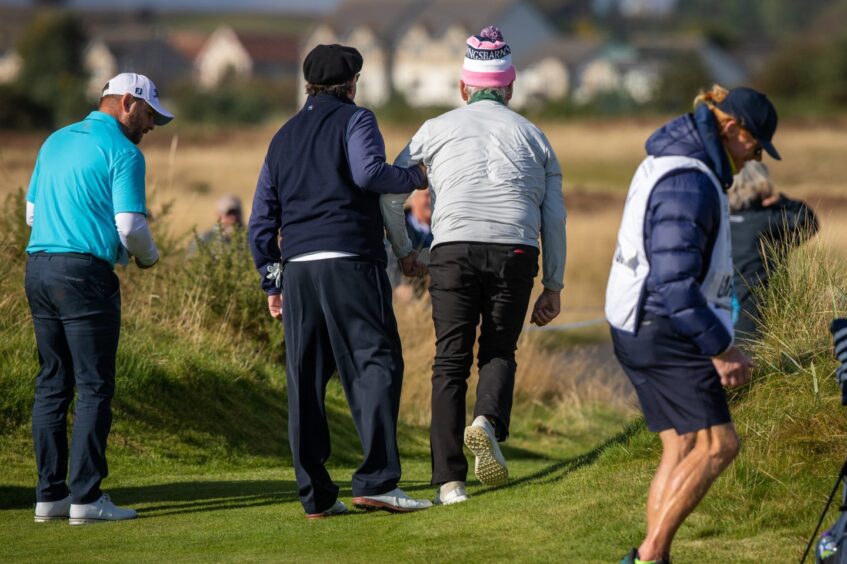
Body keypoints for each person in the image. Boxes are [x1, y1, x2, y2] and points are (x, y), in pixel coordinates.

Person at [381, 26, 567, 506]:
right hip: (517, 251)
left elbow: (391, 193)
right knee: (500, 351)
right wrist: (554, 285)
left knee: (449, 361)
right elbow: (554, 217)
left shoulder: (435, 129)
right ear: (510, 87)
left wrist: (406, 250)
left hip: (451, 251)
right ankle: (486, 421)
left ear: (464, 88)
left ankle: (450, 482)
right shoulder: (535, 136)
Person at [247, 43, 432, 519]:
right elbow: (368, 172)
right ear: (351, 84)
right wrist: (414, 175)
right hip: (350, 260)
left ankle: (317, 495)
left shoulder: (282, 136)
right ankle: (376, 482)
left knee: (305, 379)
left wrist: (273, 281)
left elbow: (261, 221)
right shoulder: (357, 119)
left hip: (299, 271)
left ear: (309, 83)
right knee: (375, 364)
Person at [605, 85, 780, 564]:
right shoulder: (690, 178)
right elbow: (674, 281)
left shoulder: (681, 161)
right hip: (663, 325)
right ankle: (647, 556)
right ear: (729, 129)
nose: (757, 157)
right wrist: (722, 348)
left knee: (683, 444)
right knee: (719, 444)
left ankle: (653, 557)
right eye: (756, 144)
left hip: (636, 322)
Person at [25, 72, 172, 524]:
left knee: (53, 383)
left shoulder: (54, 140)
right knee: (93, 386)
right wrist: (148, 259)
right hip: (84, 274)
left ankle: (50, 497)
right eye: (149, 115)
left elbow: (31, 213)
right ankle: (86, 498)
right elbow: (130, 226)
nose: (150, 126)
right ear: (128, 103)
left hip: (39, 268)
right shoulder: (123, 151)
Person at [729, 161, 818, 342]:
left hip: (723, 314)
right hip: (761, 318)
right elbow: (809, 223)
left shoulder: (719, 219)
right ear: (762, 184)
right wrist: (783, 201)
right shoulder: (770, 220)